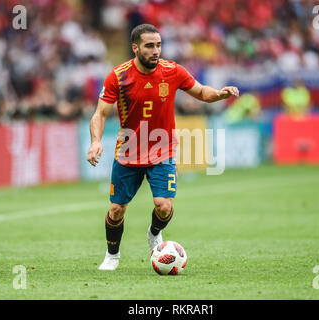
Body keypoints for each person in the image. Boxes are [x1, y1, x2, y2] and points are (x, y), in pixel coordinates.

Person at [86, 24, 239, 270]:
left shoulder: (173, 71)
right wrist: (95, 141)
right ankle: (112, 255)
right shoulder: (118, 76)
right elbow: (100, 113)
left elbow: (200, 91)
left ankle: (154, 233)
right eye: (149, 46)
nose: (155, 51)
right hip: (129, 151)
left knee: (164, 206)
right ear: (135, 48)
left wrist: (219, 95)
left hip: (163, 149)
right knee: (116, 209)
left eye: (158, 45)